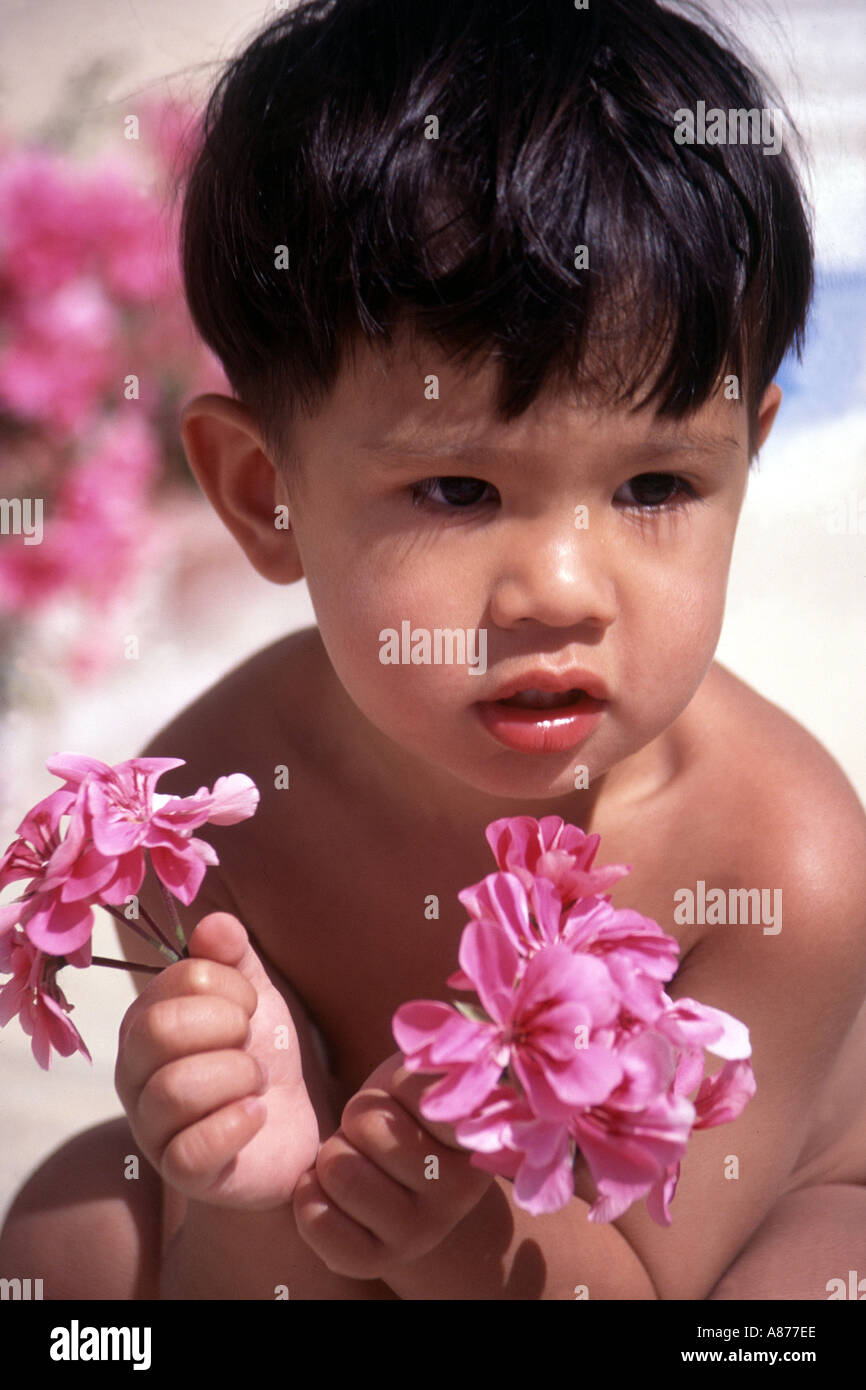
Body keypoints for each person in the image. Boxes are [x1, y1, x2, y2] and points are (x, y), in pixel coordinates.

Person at [3, 0, 866, 1300]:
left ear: (745, 455)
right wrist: (240, 1180)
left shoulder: (779, 862)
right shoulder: (214, 806)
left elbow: (638, 1283)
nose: (562, 591)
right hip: (354, 1206)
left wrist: (453, 1240)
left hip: (710, 1242)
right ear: (261, 495)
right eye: (459, 491)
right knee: (67, 1237)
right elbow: (241, 1265)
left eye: (654, 485)